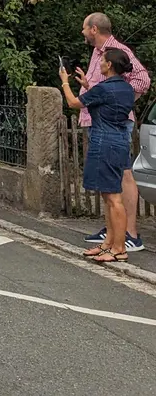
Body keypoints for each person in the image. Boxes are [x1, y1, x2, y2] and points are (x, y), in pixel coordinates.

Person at [76, 13, 150, 252]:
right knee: (109, 177)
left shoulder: (117, 50)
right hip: (99, 121)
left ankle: (130, 234)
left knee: (123, 175)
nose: (83, 33)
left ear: (94, 29)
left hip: (114, 123)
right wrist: (90, 87)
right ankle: (114, 231)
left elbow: (143, 79)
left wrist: (120, 96)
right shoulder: (98, 53)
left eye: (85, 28)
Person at [61, 48, 136, 262]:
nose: (100, 63)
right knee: (108, 195)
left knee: (113, 198)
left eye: (102, 60)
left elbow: (74, 103)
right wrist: (87, 86)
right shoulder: (126, 88)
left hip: (105, 142)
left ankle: (119, 248)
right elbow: (106, 100)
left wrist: (65, 82)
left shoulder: (104, 89)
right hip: (119, 141)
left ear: (110, 65)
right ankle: (108, 244)